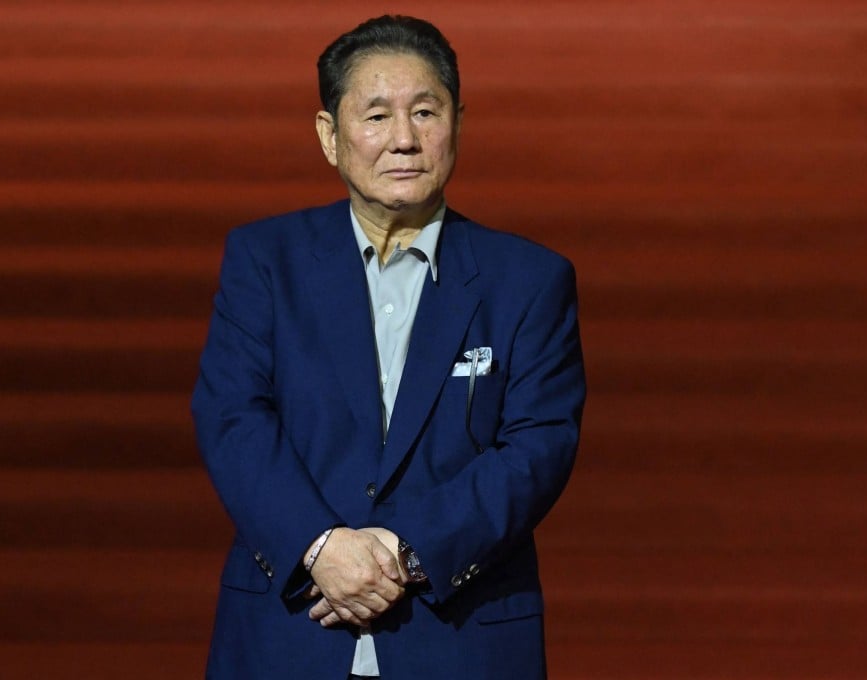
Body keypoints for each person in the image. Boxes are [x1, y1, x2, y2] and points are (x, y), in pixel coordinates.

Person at [191, 14, 585, 680]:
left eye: (425, 112)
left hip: (462, 636)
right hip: (289, 630)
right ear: (329, 135)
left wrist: (406, 552)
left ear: (458, 122)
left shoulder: (529, 279)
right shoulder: (265, 260)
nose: (403, 139)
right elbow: (232, 418)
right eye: (376, 116)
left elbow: (537, 447)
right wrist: (318, 548)